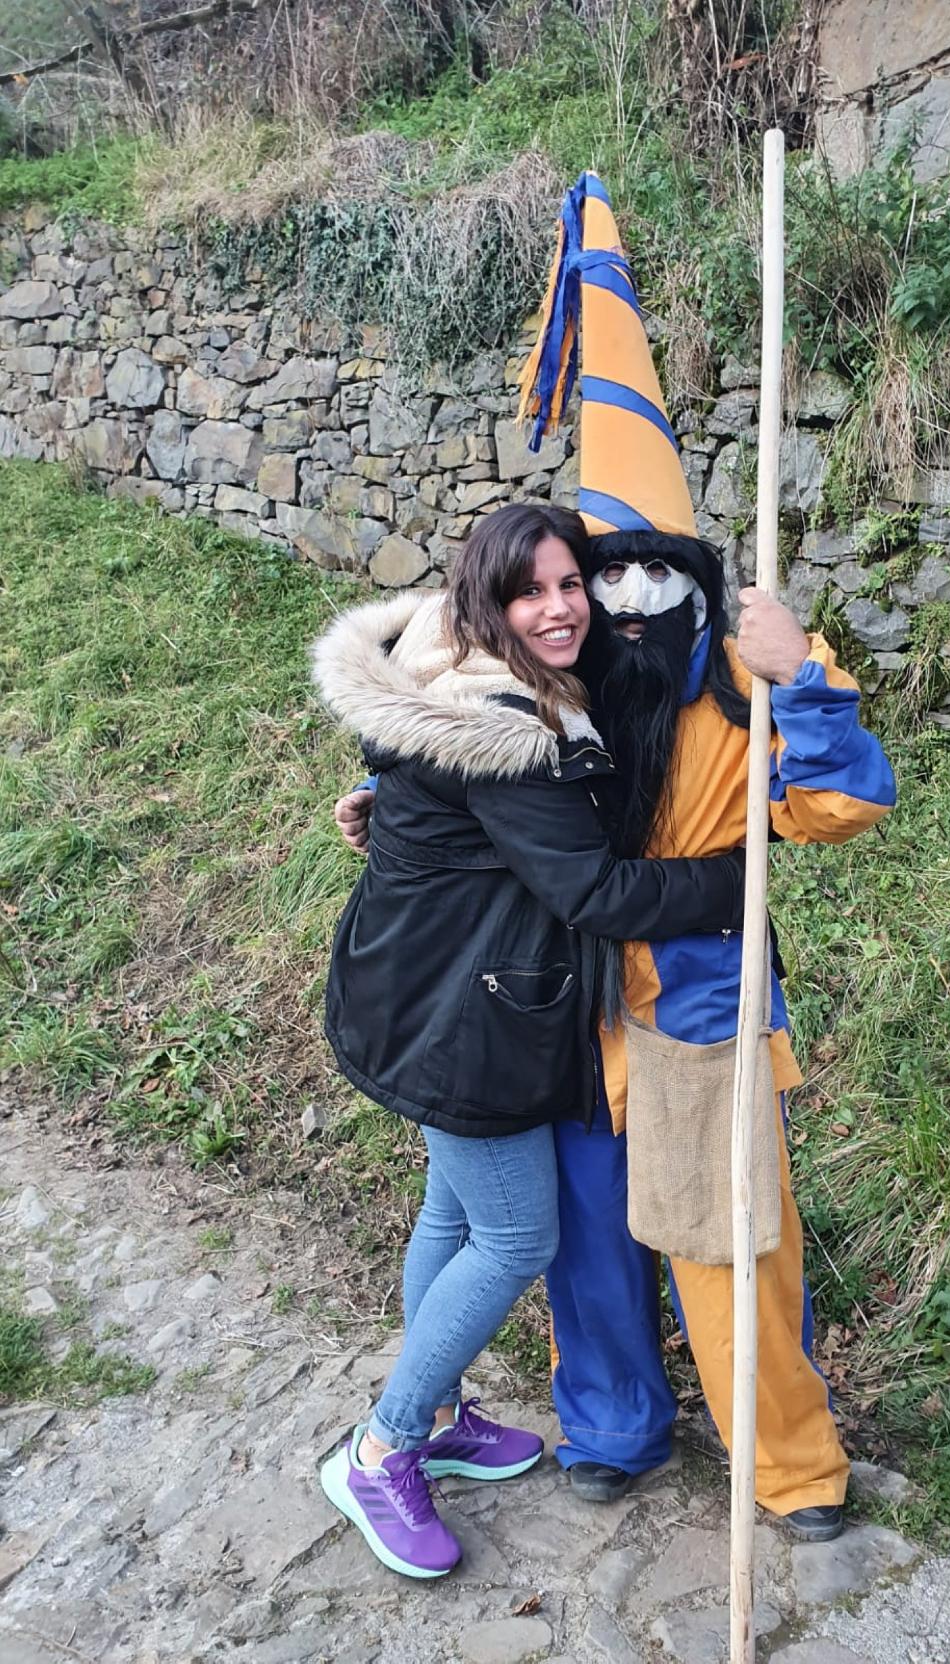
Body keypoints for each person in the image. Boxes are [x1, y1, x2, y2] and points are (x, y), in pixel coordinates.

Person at [333, 172, 896, 1545]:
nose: (616, 611)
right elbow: (471, 754)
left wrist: (803, 678)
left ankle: (788, 1462)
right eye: (601, 581)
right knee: (585, 1248)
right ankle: (612, 1427)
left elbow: (841, 808)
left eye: (642, 586)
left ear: (693, 586)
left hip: (697, 1005)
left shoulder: (742, 680)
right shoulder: (551, 693)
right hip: (561, 1011)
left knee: (732, 1247)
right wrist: (385, 795)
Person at [312, 500, 750, 1580]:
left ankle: (445, 1416)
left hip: (413, 986)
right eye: (531, 591)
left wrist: (382, 794)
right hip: (462, 1018)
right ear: (485, 600)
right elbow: (593, 885)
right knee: (516, 1238)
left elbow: (420, 790)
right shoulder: (501, 729)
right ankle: (385, 1445)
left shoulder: (445, 658)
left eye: (572, 584)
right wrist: (745, 879)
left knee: (450, 1210)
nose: (560, 609)